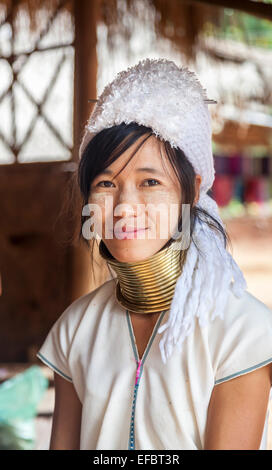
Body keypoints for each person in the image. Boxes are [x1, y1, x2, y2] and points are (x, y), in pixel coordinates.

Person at [36, 58, 272, 450]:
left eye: (150, 181)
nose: (125, 207)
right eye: (106, 183)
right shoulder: (75, 331)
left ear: (193, 191)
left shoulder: (243, 331)